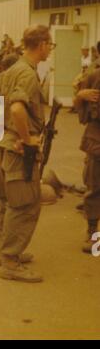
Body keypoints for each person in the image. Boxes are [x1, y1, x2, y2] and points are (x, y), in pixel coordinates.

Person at [0, 25, 55, 283]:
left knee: (10, 200)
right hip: (20, 148)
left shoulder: (12, 70)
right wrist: (27, 138)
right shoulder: (27, 74)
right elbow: (18, 109)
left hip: (8, 143)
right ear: (41, 44)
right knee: (26, 204)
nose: (50, 48)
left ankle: (4, 250)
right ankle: (10, 260)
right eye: (49, 44)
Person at [74, 67, 100, 253]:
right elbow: (82, 115)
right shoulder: (94, 76)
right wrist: (80, 96)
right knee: (95, 187)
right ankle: (93, 236)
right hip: (97, 140)